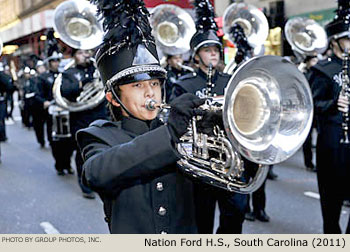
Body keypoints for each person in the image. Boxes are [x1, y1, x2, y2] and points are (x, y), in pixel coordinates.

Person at [76, 0, 208, 234]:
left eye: (155, 83)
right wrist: (170, 134)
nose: (150, 92)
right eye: (137, 85)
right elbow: (96, 174)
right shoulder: (99, 136)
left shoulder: (182, 129)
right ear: (114, 97)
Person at [170, 0, 247, 234]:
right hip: (199, 163)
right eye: (207, 50)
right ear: (196, 55)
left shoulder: (231, 82)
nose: (213, 54)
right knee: (201, 221)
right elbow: (176, 123)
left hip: (230, 161)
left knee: (236, 214)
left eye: (216, 50)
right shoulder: (184, 85)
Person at [309, 0, 350, 234]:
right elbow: (312, 106)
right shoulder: (321, 70)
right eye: (348, 39)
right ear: (335, 41)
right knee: (331, 206)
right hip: (331, 143)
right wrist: (334, 103)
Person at [60, 48, 109, 199]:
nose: (85, 55)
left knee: (103, 149)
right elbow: (65, 91)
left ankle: (101, 179)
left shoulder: (98, 69)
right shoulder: (69, 73)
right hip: (80, 117)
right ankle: (85, 186)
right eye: (81, 53)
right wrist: (82, 84)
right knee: (83, 152)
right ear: (74, 56)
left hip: (100, 114)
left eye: (87, 52)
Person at [35, 30, 74, 176]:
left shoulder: (65, 76)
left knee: (69, 140)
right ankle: (59, 164)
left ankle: (68, 164)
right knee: (55, 141)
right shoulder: (43, 78)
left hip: (66, 111)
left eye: (58, 60)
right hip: (51, 113)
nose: (56, 63)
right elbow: (38, 95)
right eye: (53, 61)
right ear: (49, 62)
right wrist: (44, 103)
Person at [31, 60, 47, 148]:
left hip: (47, 105)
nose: (42, 69)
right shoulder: (34, 79)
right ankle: (41, 140)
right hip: (37, 105)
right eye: (40, 68)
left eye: (43, 67)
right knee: (38, 126)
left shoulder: (48, 77)